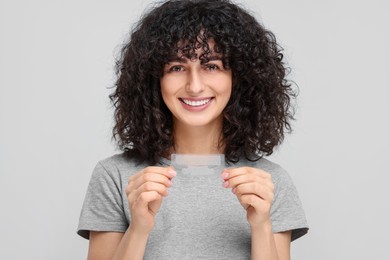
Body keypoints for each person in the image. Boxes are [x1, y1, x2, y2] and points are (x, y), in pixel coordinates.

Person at [77, 0, 309, 259]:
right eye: (177, 67)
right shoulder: (115, 176)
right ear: (154, 79)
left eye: (211, 66)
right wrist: (139, 229)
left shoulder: (269, 182)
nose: (195, 86)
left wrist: (261, 225)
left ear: (239, 77)